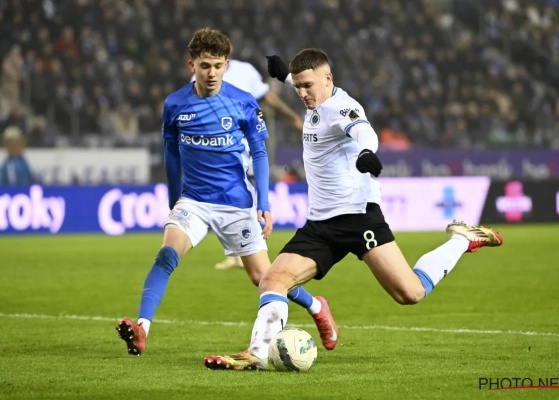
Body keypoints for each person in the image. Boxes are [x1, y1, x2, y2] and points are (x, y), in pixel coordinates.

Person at [203, 49, 503, 370]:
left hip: (358, 218)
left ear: (328, 79)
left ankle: (462, 238)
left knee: (410, 293)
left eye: (307, 86)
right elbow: (304, 82)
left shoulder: (342, 107)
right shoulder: (315, 96)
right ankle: (257, 353)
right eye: (298, 86)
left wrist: (366, 153)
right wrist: (285, 77)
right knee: (272, 280)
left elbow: (363, 130)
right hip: (320, 224)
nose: (302, 93)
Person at [116, 32, 339, 356]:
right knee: (166, 256)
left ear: (226, 65)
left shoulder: (242, 101)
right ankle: (141, 329)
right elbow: (171, 154)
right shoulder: (175, 104)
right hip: (193, 201)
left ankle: (317, 306)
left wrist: (264, 203)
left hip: (236, 204)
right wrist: (174, 201)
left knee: (263, 277)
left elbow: (259, 153)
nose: (211, 73)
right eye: (205, 65)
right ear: (191, 65)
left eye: (218, 66)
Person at [190, 38, 305, 271]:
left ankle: (252, 248)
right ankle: (238, 252)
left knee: (246, 190)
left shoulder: (245, 71)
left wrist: (292, 116)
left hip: (245, 143)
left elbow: (268, 97)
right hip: (216, 146)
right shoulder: (199, 76)